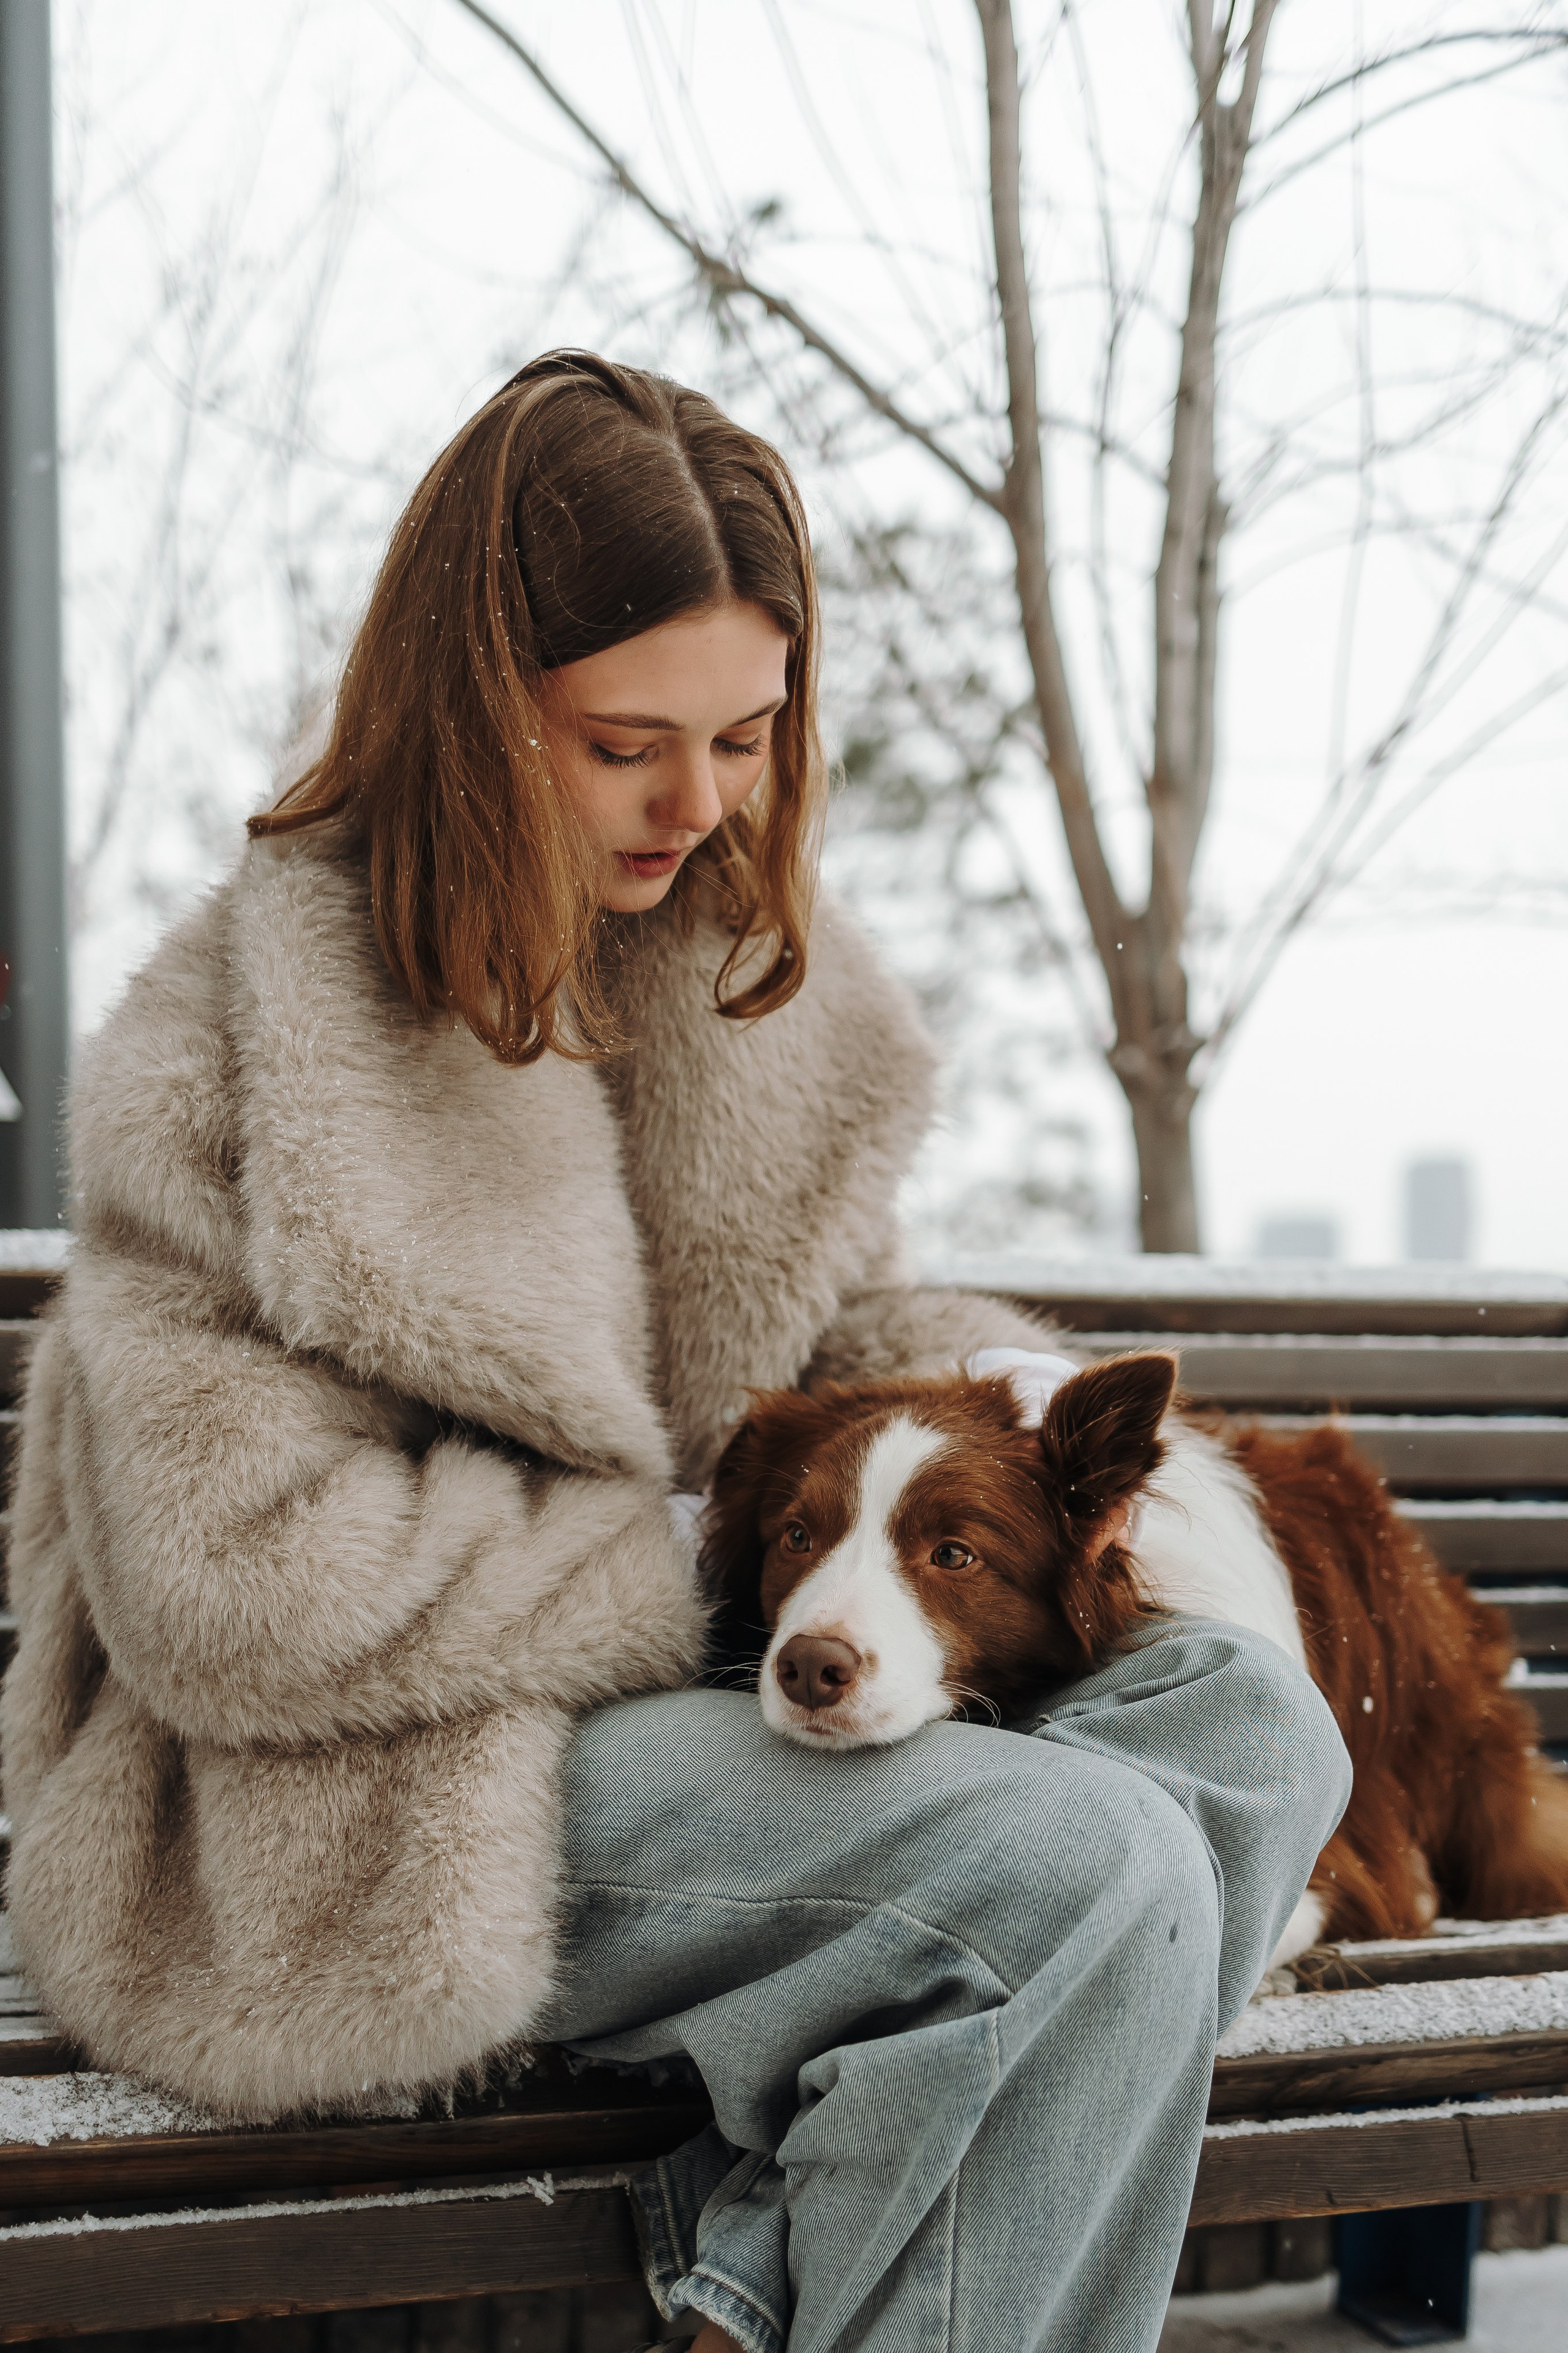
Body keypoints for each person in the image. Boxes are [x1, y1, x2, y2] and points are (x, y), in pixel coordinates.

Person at [0, 352, 1349, 2353]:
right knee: (1076, 1861)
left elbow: (821, 1337)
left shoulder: (735, 985)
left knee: (1253, 1734)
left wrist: (998, 1411)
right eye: (628, 738)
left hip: (689, 1741)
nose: (701, 802)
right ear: (475, 709)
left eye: (744, 736)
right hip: (377, 1800)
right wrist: (697, 1558)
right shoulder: (245, 1047)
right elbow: (225, 1580)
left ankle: (761, 2271)